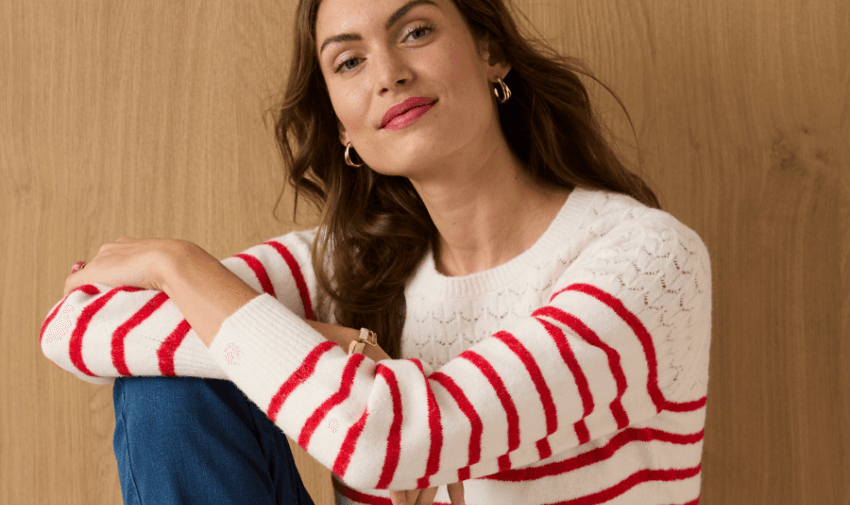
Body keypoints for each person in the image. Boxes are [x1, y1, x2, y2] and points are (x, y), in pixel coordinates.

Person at [41, 0, 713, 504]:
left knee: (208, 328)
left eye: (415, 31)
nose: (389, 73)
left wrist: (179, 268)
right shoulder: (353, 263)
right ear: (342, 125)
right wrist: (342, 342)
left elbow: (385, 442)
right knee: (168, 392)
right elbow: (74, 323)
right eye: (350, 61)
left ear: (490, 51)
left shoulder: (647, 259)